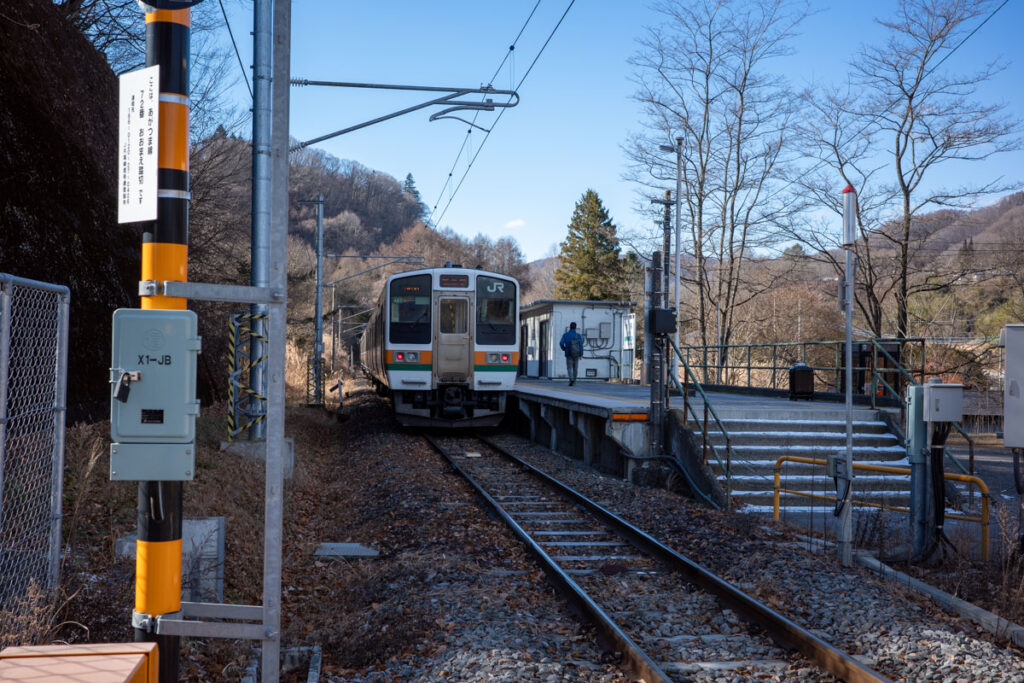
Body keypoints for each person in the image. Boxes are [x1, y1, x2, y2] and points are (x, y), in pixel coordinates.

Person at [559, 322, 584, 386]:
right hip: (576, 354)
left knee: (569, 367)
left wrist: (564, 349)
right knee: (575, 368)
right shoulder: (578, 335)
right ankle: (574, 381)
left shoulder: (566, 335)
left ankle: (571, 379)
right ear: (575, 328)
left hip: (569, 353)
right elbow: (581, 345)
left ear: (570, 327)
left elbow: (561, 343)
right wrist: (581, 354)